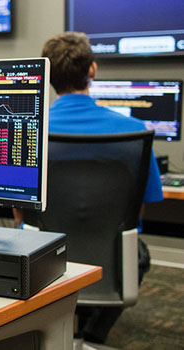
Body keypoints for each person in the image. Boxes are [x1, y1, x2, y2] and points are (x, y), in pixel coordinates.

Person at [35, 31, 163, 345]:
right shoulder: (134, 132)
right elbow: (137, 211)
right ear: (92, 71)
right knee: (137, 253)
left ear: (48, 73)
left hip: (42, 258)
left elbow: (22, 211)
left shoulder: (33, 130)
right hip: (111, 259)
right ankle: (94, 336)